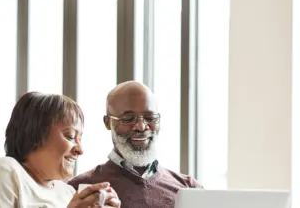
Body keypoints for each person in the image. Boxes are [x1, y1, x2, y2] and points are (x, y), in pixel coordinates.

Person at [0, 92, 121, 208]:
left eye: (81, 139)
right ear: (35, 135)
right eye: (70, 136)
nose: (80, 149)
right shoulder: (5, 172)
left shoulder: (66, 192)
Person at [67, 81, 203, 208]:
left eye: (150, 118)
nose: (141, 126)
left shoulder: (189, 188)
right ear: (108, 122)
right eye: (128, 119)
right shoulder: (80, 191)